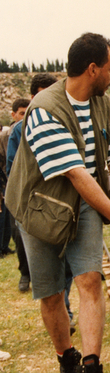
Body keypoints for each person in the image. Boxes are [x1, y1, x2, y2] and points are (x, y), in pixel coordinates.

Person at [6, 33, 110, 373]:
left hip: (82, 205)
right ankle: (67, 360)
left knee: (89, 280)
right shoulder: (44, 109)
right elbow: (77, 174)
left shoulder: (103, 104)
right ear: (92, 69)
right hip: (39, 207)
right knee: (49, 294)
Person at [6, 74, 59, 295]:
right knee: (21, 239)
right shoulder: (18, 130)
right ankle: (25, 274)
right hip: (28, 200)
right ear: (33, 96)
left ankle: (66, 311)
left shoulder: (61, 123)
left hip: (57, 201)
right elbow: (11, 166)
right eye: (41, 94)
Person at [0, 98, 29, 256]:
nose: (25, 117)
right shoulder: (5, 135)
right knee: (11, 224)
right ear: (13, 115)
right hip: (9, 183)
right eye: (21, 113)